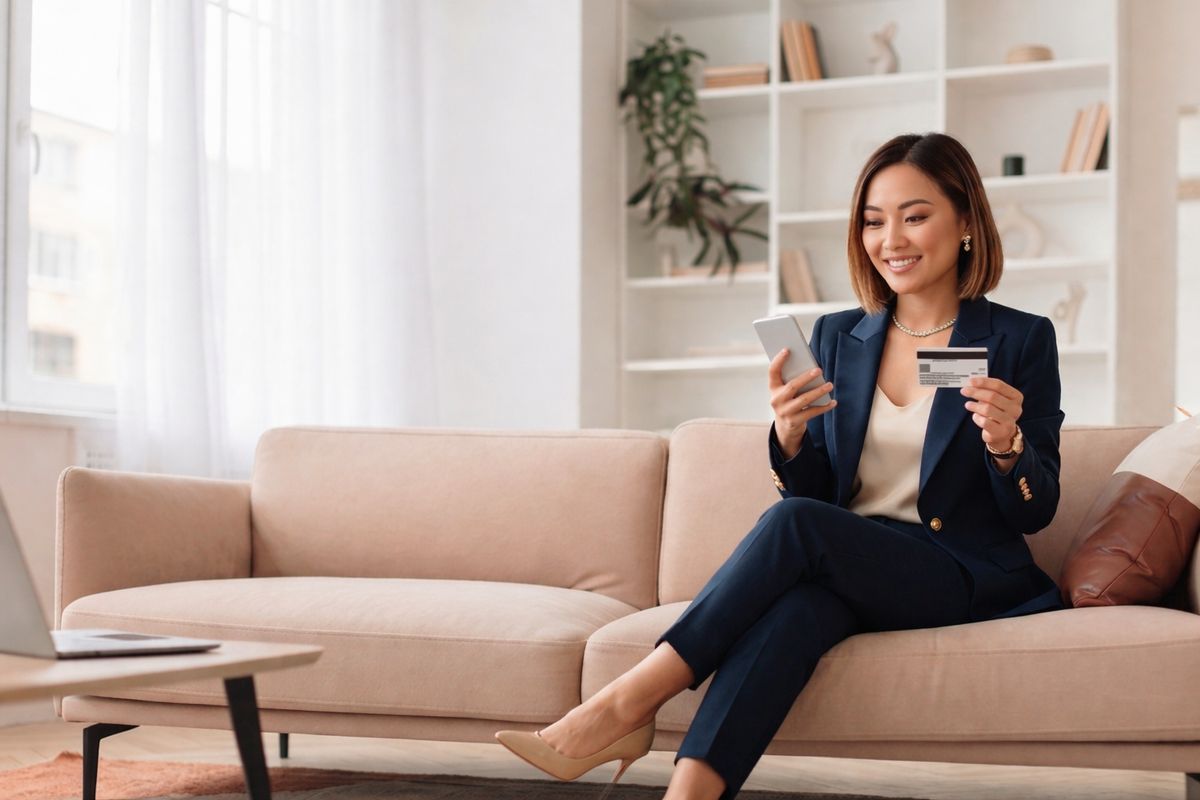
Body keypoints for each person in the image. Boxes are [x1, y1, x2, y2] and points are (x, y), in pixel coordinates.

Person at [495, 131, 1066, 799]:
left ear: (966, 221)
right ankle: (690, 793)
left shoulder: (1019, 338)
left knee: (797, 526)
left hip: (962, 571)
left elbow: (1037, 507)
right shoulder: (838, 336)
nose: (892, 240)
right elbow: (821, 489)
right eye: (874, 222)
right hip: (858, 560)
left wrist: (1008, 448)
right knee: (796, 611)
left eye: (915, 216)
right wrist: (792, 436)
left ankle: (624, 705)